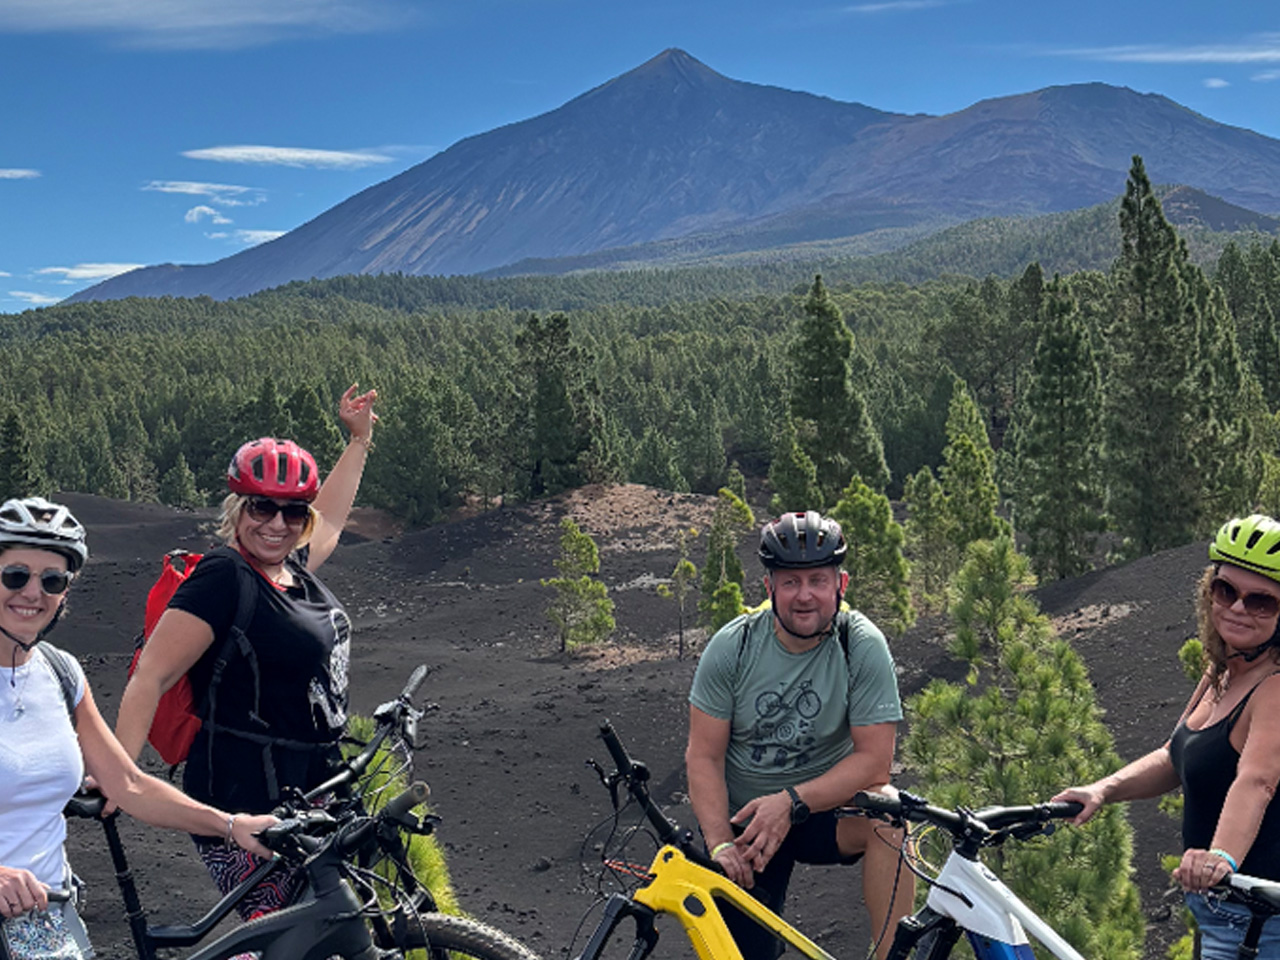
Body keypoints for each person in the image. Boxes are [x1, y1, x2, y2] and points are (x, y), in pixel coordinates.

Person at [115, 383, 377, 919]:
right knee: (288, 938)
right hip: (243, 796)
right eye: (262, 507)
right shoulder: (224, 577)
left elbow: (329, 520)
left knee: (343, 930)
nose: (277, 523)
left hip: (311, 790)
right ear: (237, 507)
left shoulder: (290, 569)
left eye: (291, 512)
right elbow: (152, 675)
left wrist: (359, 442)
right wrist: (118, 774)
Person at [0, 496, 277, 959]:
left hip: (44, 924)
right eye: (15, 575)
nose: (33, 593)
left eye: (52, 580)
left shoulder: (59, 673)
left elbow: (126, 783)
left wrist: (231, 826)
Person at [685, 511, 914, 960]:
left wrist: (790, 802)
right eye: (790, 582)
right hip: (745, 824)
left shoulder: (860, 645)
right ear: (769, 588)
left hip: (822, 810)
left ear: (840, 585)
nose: (804, 595)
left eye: (817, 580)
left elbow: (875, 763)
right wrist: (719, 842)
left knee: (889, 814)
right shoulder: (734, 646)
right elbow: (704, 756)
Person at [1054, 514, 1280, 960]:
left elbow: (1257, 781)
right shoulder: (1222, 670)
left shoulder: (1274, 688)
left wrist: (1221, 858)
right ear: (1208, 591)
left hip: (1259, 925)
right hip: (1220, 910)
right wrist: (1103, 789)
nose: (1237, 607)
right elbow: (1176, 755)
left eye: (1262, 602)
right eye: (1226, 590)